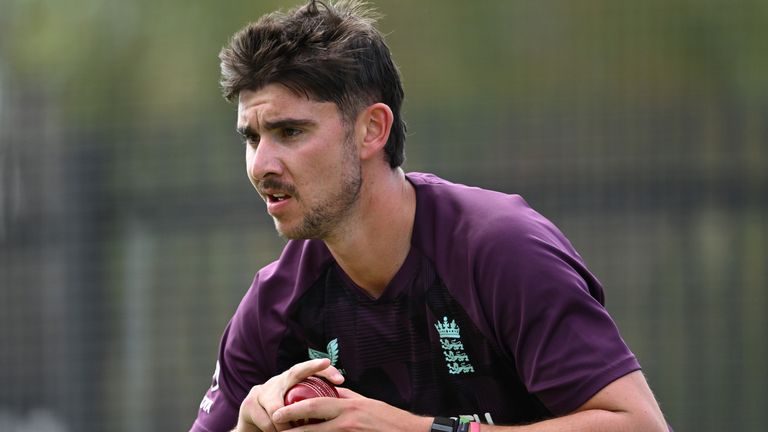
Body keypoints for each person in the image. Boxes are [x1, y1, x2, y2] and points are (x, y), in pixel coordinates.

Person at [190, 1, 669, 431]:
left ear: (372, 130)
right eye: (252, 138)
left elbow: (640, 425)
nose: (261, 165)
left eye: (290, 132)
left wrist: (417, 430)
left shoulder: (501, 250)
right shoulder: (274, 304)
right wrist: (247, 429)